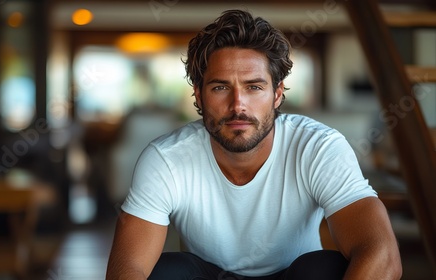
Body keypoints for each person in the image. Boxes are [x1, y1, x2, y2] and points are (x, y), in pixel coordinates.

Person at [106, 9, 402, 280]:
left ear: (276, 94)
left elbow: (382, 256)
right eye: (220, 87)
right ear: (198, 95)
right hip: (209, 276)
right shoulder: (166, 158)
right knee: (169, 271)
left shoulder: (318, 147)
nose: (238, 105)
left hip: (294, 275)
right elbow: (127, 269)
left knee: (325, 269)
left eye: (254, 87)